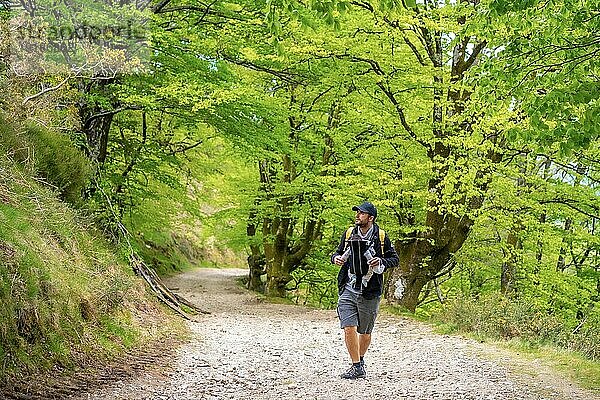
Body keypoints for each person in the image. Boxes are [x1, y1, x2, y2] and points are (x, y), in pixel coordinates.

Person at [331, 201, 399, 379]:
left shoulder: (381, 237)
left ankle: (360, 359)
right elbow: (336, 253)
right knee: (348, 327)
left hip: (370, 290)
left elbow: (394, 259)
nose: (357, 216)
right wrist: (336, 259)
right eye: (357, 212)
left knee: (365, 332)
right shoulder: (348, 234)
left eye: (361, 213)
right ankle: (356, 366)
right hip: (348, 287)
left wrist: (381, 262)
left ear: (371, 218)